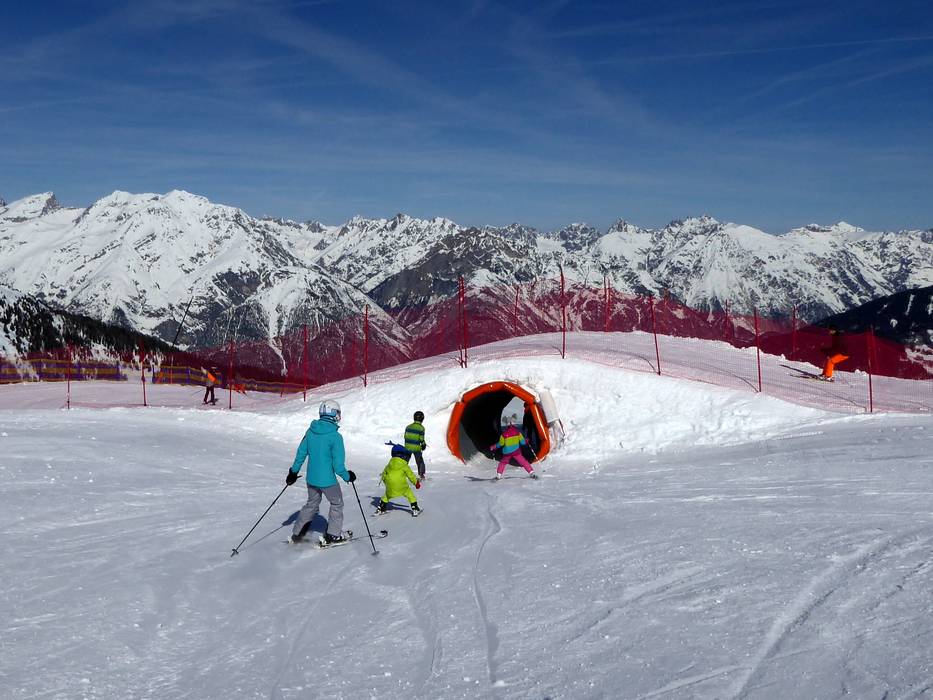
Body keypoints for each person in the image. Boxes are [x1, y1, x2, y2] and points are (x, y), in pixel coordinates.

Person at [285, 399, 357, 544]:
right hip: (328, 481)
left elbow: (301, 453)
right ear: (334, 414)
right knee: (336, 503)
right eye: (338, 413)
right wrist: (347, 476)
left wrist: (293, 472)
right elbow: (338, 466)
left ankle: (297, 533)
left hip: (311, 479)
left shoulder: (310, 432)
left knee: (312, 503)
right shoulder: (335, 437)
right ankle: (333, 535)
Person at [375, 443, 422, 517]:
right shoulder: (404, 465)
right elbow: (411, 475)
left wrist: (386, 482)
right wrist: (416, 483)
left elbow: (384, 474)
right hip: (402, 486)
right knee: (409, 494)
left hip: (390, 484)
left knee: (387, 495)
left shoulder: (389, 464)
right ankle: (415, 508)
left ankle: (381, 508)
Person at [489, 413, 537, 480]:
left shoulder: (504, 435)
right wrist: (526, 441)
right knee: (523, 461)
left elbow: (501, 444)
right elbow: (523, 443)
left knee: (503, 463)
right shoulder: (517, 433)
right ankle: (531, 472)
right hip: (516, 452)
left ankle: (498, 475)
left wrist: (494, 446)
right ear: (514, 423)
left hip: (507, 453)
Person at [404, 410, 428, 479]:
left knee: (404, 461)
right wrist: (423, 445)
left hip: (407, 447)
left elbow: (405, 436)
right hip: (416, 448)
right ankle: (421, 474)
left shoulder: (408, 427)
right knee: (420, 461)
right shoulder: (421, 428)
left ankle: (401, 472)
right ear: (422, 419)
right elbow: (421, 439)